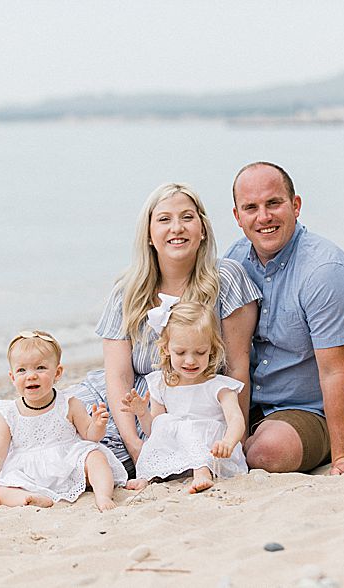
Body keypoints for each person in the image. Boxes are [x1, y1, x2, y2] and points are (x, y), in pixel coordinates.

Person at [73, 183, 261, 476]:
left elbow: (238, 365)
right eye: (164, 219)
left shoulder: (226, 278)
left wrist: (239, 437)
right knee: (61, 435)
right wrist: (135, 444)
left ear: (203, 230)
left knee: (104, 464)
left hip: (190, 404)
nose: (177, 228)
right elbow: (117, 376)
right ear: (149, 234)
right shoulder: (127, 291)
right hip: (129, 403)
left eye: (187, 217)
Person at [223, 162, 344, 476]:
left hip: (307, 411)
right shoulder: (233, 261)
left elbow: (336, 371)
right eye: (251, 208)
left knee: (269, 452)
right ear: (238, 217)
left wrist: (343, 457)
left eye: (273, 203)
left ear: (295, 206)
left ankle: (250, 445)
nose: (263, 217)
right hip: (247, 402)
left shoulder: (325, 272)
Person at [0, 331, 131, 512]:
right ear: (12, 378)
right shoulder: (9, 413)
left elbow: (90, 436)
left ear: (57, 373)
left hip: (68, 462)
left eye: (40, 368)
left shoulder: (69, 403)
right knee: (1, 490)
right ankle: (30, 498)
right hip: (30, 471)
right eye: (21, 370)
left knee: (96, 457)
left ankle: (103, 495)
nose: (31, 376)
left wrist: (97, 425)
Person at [120, 302, 247, 492]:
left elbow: (236, 419)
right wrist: (141, 413)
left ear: (212, 349)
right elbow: (154, 430)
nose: (190, 360)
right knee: (163, 422)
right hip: (178, 453)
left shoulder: (219, 386)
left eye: (200, 352)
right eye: (180, 352)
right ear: (166, 349)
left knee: (187, 426)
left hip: (213, 453)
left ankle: (202, 471)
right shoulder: (161, 384)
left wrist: (228, 442)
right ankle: (148, 476)